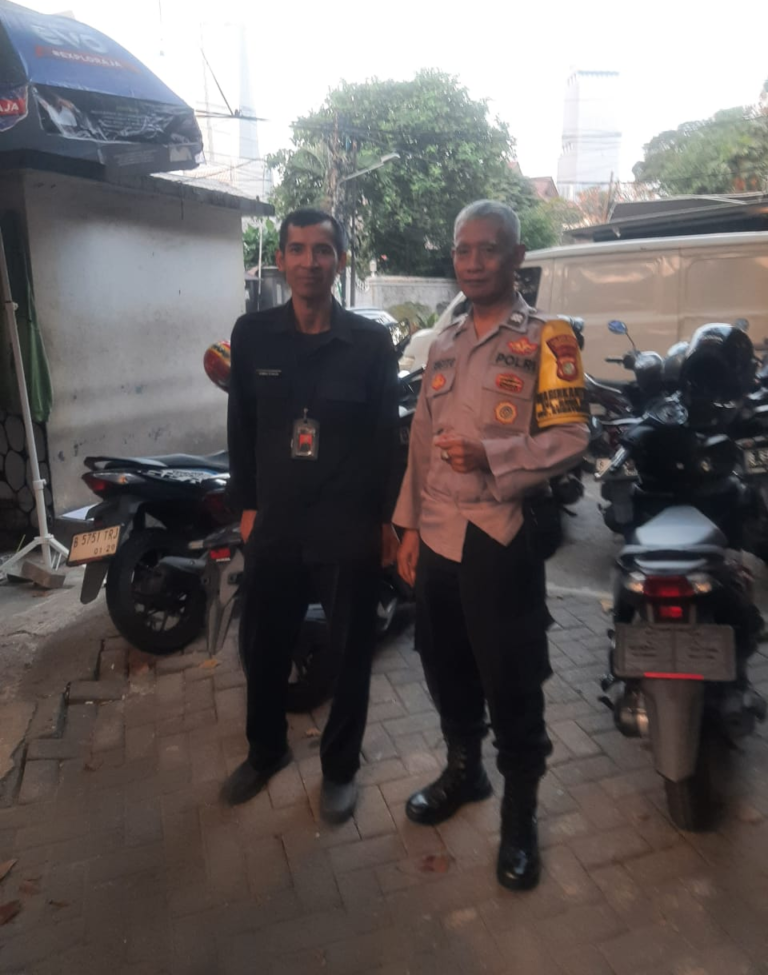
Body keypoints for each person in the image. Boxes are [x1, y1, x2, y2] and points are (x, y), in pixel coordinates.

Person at [394, 200, 590, 890]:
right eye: (462, 249)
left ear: (517, 257)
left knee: (510, 678)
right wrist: (409, 527)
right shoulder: (442, 341)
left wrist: (493, 455)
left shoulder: (550, 340)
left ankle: (519, 816)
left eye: (488, 249)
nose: (473, 262)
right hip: (438, 534)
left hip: (500, 535)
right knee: (443, 663)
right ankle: (464, 771)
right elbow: (421, 440)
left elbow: (572, 438)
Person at [222, 207, 400, 823]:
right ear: (280, 261)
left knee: (349, 655)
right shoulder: (252, 335)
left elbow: (386, 438)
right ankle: (265, 751)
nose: (309, 262)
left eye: (322, 250)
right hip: (275, 521)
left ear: (340, 261)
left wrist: (387, 521)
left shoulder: (370, 344)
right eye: (296, 250)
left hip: (346, 526)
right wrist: (246, 505)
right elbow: (240, 427)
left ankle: (340, 769)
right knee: (264, 645)